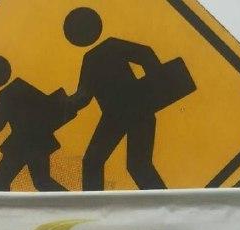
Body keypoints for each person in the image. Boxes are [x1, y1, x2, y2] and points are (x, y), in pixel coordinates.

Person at [64, 6, 168, 191]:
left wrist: (153, 87)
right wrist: (63, 103)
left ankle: (166, 206)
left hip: (133, 111)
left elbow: (146, 54)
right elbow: (84, 96)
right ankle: (95, 209)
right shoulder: (99, 53)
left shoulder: (103, 51)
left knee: (129, 165)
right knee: (104, 163)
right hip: (120, 115)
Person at [0, 55, 73, 191]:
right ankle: (74, 201)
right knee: (41, 181)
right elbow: (45, 104)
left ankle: (74, 200)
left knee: (1, 179)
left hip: (21, 144)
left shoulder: (5, 95)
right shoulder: (22, 86)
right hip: (39, 142)